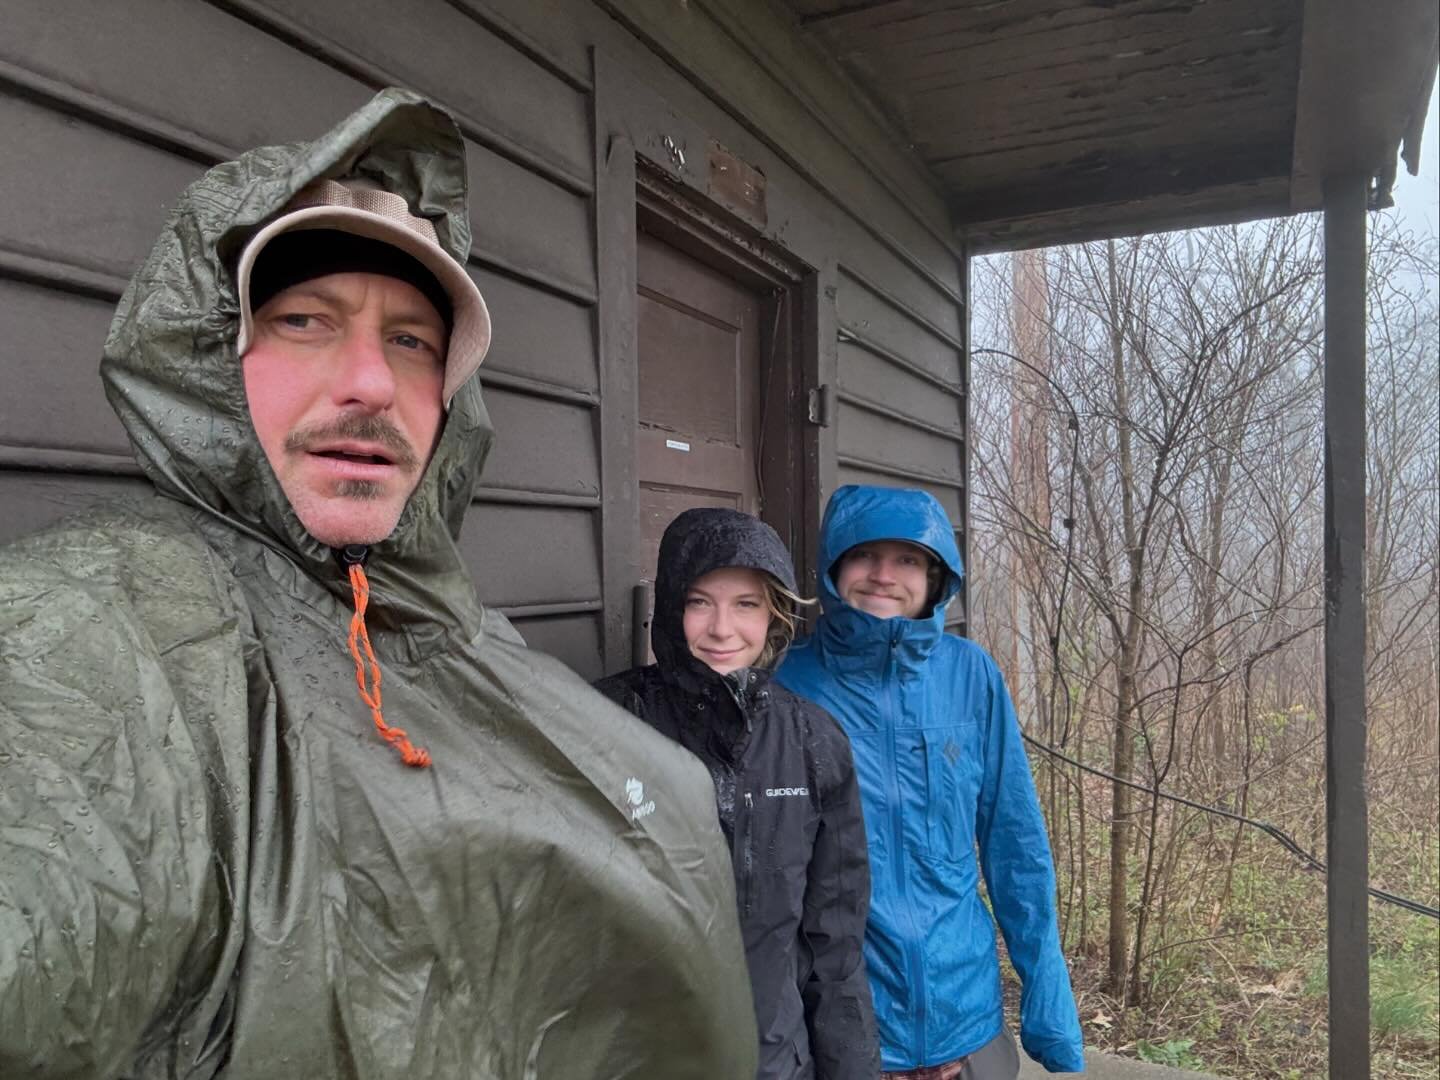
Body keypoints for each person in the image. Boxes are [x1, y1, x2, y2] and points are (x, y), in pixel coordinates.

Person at [0, 88, 758, 1079]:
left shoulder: (472, 642)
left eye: (411, 338)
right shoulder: (124, 622)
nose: (369, 381)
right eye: (306, 318)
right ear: (205, 353)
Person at [777, 485, 1085, 1079]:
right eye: (865, 555)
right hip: (844, 1025)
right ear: (834, 566)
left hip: (964, 1015)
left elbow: (1014, 844)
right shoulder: (790, 683)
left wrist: (1049, 999)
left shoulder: (970, 675)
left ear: (937, 576)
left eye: (908, 559)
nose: (884, 575)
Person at [594, 508, 880, 1080]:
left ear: (775, 614)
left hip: (774, 1061)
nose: (723, 628)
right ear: (673, 611)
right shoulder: (606, 723)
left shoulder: (814, 743)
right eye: (701, 602)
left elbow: (835, 950)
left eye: (746, 604)